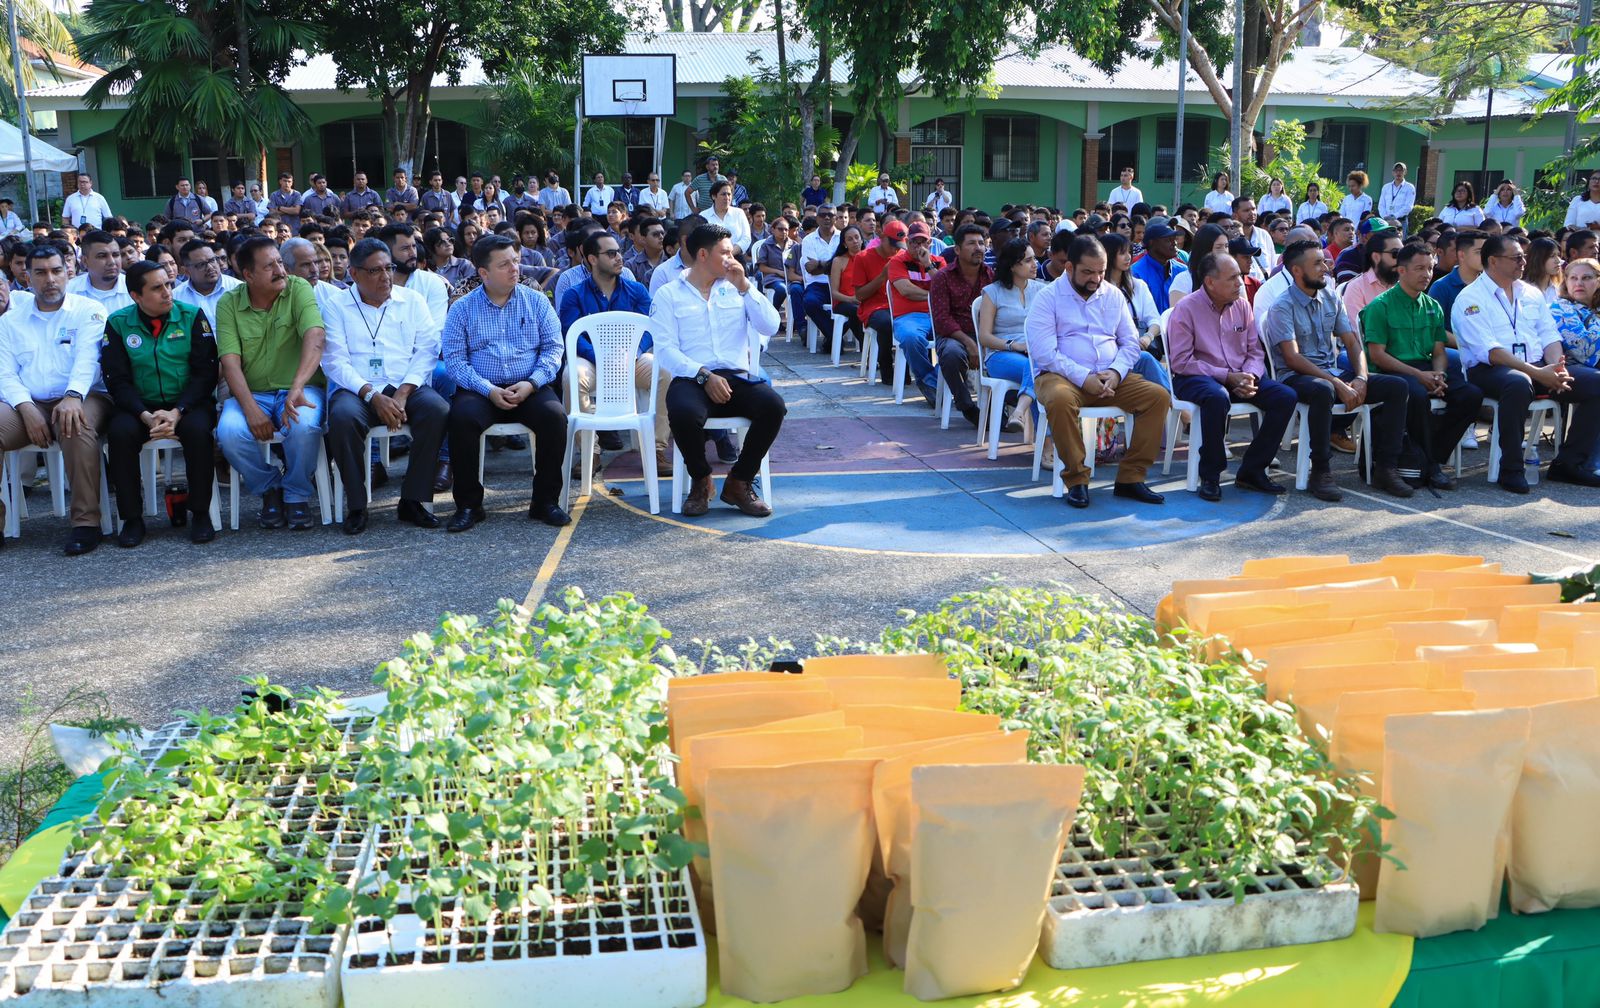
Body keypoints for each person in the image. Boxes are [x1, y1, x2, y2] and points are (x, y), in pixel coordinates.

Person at [1023, 235, 1169, 508]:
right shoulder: (1047, 298)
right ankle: (1077, 480)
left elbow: (1130, 343)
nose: (1096, 278)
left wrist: (1115, 372)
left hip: (1110, 377)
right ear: (1069, 268)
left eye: (1101, 272)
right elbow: (1045, 354)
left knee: (1157, 397)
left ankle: (1131, 478)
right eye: (1088, 272)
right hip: (1061, 377)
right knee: (1060, 400)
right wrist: (1084, 377)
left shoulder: (1113, 295)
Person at [1262, 239, 1415, 501]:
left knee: (1397, 386)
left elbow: (1353, 343)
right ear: (1297, 271)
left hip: (1330, 372)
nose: (1326, 267)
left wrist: (1360, 377)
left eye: (1324, 261)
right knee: (1322, 389)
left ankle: (1385, 467)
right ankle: (1320, 470)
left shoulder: (1331, 297)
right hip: (1297, 377)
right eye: (1318, 263)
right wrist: (1337, 383)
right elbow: (1293, 358)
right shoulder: (1282, 306)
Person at [650, 223, 784, 517]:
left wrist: (746, 287)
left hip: (735, 377)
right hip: (691, 377)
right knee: (683, 413)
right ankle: (700, 481)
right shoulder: (669, 294)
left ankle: (739, 481)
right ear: (702, 254)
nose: (732, 257)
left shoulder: (738, 288)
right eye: (725, 252)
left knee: (773, 406)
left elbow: (771, 326)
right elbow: (665, 351)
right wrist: (703, 375)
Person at [440, 234, 569, 531]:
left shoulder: (536, 301)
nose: (515, 268)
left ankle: (545, 502)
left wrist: (532, 383)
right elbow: (455, 361)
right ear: (483, 273)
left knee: (554, 416)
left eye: (515, 260)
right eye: (504, 264)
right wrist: (488, 389)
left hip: (529, 386)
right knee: (460, 419)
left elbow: (553, 349)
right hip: (481, 389)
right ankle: (470, 505)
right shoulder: (462, 308)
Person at [1454, 233, 1600, 491]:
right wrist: (1539, 373)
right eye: (1516, 257)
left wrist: (1557, 368)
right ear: (1494, 261)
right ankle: (1510, 468)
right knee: (1518, 383)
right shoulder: (1471, 298)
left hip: (1539, 367)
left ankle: (1569, 463)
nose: (1523, 262)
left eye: (1523, 256)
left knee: (1596, 383)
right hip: (1491, 370)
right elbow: (1491, 352)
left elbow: (1550, 336)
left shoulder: (1531, 293)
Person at [321, 238, 447, 534]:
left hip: (406, 386)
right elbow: (335, 361)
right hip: (358, 389)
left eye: (388, 267)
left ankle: (413, 500)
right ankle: (357, 504)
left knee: (437, 409)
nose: (386, 276)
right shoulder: (336, 305)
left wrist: (404, 392)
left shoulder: (411, 300)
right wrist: (372, 395)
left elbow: (427, 350)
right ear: (354, 274)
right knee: (341, 417)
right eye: (375, 271)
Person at [99, 260, 220, 546]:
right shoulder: (118, 323)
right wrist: (144, 415)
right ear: (136, 296)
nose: (167, 292)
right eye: (157, 288)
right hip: (140, 407)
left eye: (168, 284)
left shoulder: (192, 316)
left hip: (188, 404)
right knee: (120, 433)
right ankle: (131, 518)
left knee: (197, 431)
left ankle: (200, 512)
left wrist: (178, 411)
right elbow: (116, 379)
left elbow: (206, 373)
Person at [0, 244, 111, 554]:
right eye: (40, 273)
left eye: (56, 271)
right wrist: (26, 409)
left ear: (68, 271)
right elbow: (5, 374)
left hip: (86, 395)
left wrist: (74, 395)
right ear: (26, 276)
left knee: (75, 424)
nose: (50, 279)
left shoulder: (88, 310)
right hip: (28, 401)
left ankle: (86, 523)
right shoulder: (10, 321)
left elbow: (88, 360)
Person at [215, 235, 328, 530]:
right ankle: (269, 487)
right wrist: (250, 409)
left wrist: (297, 387)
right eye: (270, 266)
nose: (280, 270)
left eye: (280, 261)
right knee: (229, 433)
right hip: (252, 393)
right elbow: (230, 362)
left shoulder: (298, 288)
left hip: (299, 388)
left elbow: (315, 337)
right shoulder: (228, 303)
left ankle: (296, 495)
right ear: (248, 275)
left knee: (303, 425)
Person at [1166, 252, 1298, 501]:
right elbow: (1181, 362)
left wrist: (1248, 375)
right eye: (1233, 278)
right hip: (1196, 377)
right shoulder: (1186, 309)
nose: (1240, 282)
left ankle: (1253, 470)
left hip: (1239, 374)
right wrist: (1227, 377)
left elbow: (1255, 351)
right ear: (1210, 282)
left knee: (1285, 396)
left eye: (1240, 276)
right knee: (1217, 397)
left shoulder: (1242, 304)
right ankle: (1211, 475)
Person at [1363, 242, 1484, 490]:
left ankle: (1429, 455)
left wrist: (1438, 374)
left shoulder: (1432, 306)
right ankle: (1430, 465)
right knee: (1415, 393)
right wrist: (1420, 375)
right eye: (1419, 268)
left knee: (1471, 395)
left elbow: (1439, 351)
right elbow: (1377, 356)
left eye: (1430, 268)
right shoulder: (1380, 306)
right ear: (1402, 270)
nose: (1426, 275)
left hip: (1426, 366)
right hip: (1393, 370)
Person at [558, 230, 668, 473]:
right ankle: (590, 452)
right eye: (611, 253)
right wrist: (602, 358)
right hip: (591, 361)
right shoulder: (573, 295)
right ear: (592, 259)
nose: (619, 257)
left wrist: (636, 351)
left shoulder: (637, 290)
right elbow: (571, 336)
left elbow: (652, 328)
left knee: (665, 373)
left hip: (632, 359)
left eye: (618, 252)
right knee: (572, 376)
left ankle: (656, 449)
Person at [927, 224, 992, 427]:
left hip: (985, 335)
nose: (978, 248)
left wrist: (982, 341)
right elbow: (942, 319)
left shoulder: (991, 276)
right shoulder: (943, 278)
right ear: (957, 250)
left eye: (982, 243)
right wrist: (969, 343)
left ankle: (1001, 407)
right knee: (952, 354)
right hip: (954, 336)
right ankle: (966, 406)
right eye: (972, 243)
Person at [977, 238, 1040, 429]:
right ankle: (1046, 443)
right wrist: (1014, 345)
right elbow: (984, 337)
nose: (1035, 264)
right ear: (1013, 266)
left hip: (1034, 354)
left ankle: (1020, 412)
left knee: (1045, 376)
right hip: (1000, 355)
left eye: (1034, 259)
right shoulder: (993, 292)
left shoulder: (1043, 290)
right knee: (1037, 368)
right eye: (1028, 260)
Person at [888, 221, 947, 406]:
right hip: (909, 315)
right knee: (911, 337)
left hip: (938, 315)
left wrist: (928, 265)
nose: (919, 246)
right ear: (907, 242)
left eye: (923, 242)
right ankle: (930, 381)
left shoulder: (939, 262)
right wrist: (934, 297)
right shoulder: (897, 261)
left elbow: (945, 288)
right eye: (914, 242)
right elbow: (906, 290)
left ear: (930, 244)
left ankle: (932, 381)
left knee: (960, 339)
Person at [1343, 227, 1402, 339]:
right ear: (1376, 257)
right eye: (1395, 254)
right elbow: (1361, 332)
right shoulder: (1356, 288)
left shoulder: (1405, 284)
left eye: (1403, 254)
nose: (1401, 260)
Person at [172, 237, 243, 321]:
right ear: (187, 271)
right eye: (201, 264)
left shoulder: (238, 288)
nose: (210, 267)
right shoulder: (176, 297)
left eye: (212, 260)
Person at [65, 230, 133, 313]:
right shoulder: (68, 291)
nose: (112, 262)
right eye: (102, 256)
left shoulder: (136, 289)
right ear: (85, 261)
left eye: (115, 255)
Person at [1554, 257, 1600, 372]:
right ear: (1566, 281)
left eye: (1586, 278)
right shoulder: (1560, 308)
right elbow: (1584, 348)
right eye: (1573, 278)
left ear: (1598, 281)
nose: (1579, 283)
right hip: (1579, 370)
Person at [1130, 220, 1185, 314]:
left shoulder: (1183, 270)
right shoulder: (1136, 273)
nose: (1174, 243)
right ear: (1152, 243)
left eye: (1174, 239)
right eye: (1168, 240)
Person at [828, 224, 866, 351]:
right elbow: (834, 293)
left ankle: (874, 350)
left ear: (862, 239)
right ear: (844, 244)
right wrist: (851, 299)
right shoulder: (838, 261)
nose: (855, 241)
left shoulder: (869, 258)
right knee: (857, 311)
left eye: (857, 237)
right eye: (850, 239)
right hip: (844, 302)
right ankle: (868, 349)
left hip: (864, 300)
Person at [754, 214, 796, 309]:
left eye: (786, 229)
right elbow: (761, 267)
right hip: (773, 278)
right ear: (773, 230)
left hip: (791, 278)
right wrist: (778, 272)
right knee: (782, 289)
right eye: (780, 229)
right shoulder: (766, 245)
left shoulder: (794, 245)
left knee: (799, 290)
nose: (784, 232)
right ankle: (774, 315)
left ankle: (797, 321)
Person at [703, 180, 752, 254]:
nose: (727, 197)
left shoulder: (739, 213)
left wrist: (729, 254)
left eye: (729, 194)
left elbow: (746, 238)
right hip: (711, 260)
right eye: (723, 194)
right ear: (713, 196)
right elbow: (701, 241)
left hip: (735, 256)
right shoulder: (704, 216)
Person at [1525, 237, 1563, 303]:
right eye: (1552, 256)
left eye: (1558, 255)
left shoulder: (1561, 288)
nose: (1558, 260)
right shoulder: (1522, 288)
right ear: (1537, 258)